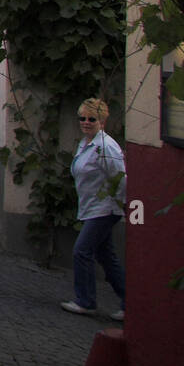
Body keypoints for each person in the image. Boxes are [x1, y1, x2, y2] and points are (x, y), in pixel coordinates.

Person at [61, 97, 126, 321]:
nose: (86, 122)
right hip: (92, 208)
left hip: (104, 209)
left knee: (82, 250)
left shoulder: (106, 147)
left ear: (102, 122)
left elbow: (121, 178)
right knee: (106, 256)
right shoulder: (85, 143)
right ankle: (131, 302)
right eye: (83, 118)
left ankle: (86, 301)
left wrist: (116, 203)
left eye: (92, 119)